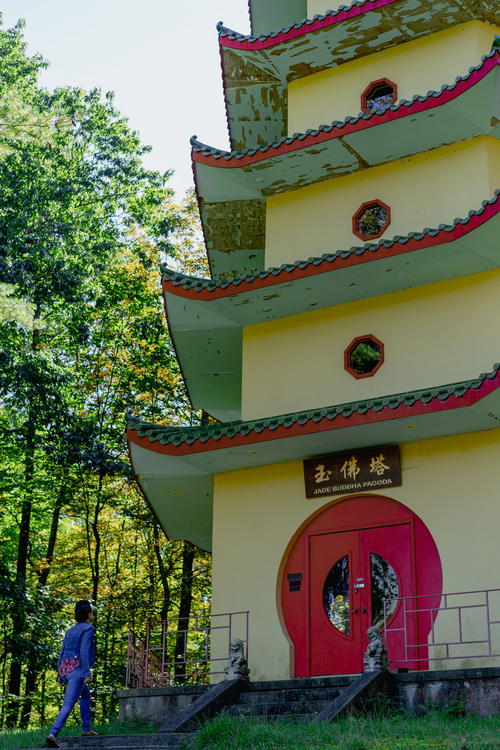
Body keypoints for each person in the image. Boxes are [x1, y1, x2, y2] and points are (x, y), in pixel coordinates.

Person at [46, 600, 98, 748]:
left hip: (65, 669)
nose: (92, 614)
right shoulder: (88, 629)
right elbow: (83, 651)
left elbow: (62, 653)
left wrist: (59, 674)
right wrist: (86, 672)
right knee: (68, 703)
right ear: (88, 614)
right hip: (77, 670)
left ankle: (86, 729)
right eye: (92, 611)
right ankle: (53, 734)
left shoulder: (70, 630)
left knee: (86, 694)